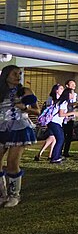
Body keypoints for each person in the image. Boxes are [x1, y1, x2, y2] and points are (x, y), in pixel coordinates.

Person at [0, 65, 39, 207]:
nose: (18, 76)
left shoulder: (25, 91)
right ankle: (2, 195)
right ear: (6, 75)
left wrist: (25, 107)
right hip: (1, 128)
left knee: (12, 162)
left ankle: (14, 195)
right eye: (14, 73)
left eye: (19, 73)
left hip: (19, 128)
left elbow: (38, 111)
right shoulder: (1, 91)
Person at [49, 88, 78, 164]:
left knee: (60, 139)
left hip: (55, 122)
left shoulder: (62, 102)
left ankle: (57, 156)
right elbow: (61, 114)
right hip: (55, 122)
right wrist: (73, 113)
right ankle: (55, 158)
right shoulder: (63, 103)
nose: (73, 95)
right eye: (72, 93)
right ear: (68, 94)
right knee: (60, 139)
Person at [34, 84, 64, 161]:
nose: (62, 90)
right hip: (51, 121)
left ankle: (50, 154)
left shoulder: (58, 99)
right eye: (61, 88)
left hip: (53, 121)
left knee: (53, 138)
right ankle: (43, 153)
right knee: (52, 137)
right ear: (56, 90)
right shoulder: (52, 99)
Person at [61, 79, 78, 157]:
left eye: (74, 84)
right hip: (64, 118)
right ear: (67, 86)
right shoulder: (64, 94)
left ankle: (66, 152)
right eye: (72, 84)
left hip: (71, 117)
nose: (74, 86)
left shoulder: (75, 95)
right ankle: (59, 151)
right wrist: (71, 104)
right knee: (63, 135)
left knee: (69, 135)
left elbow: (76, 103)